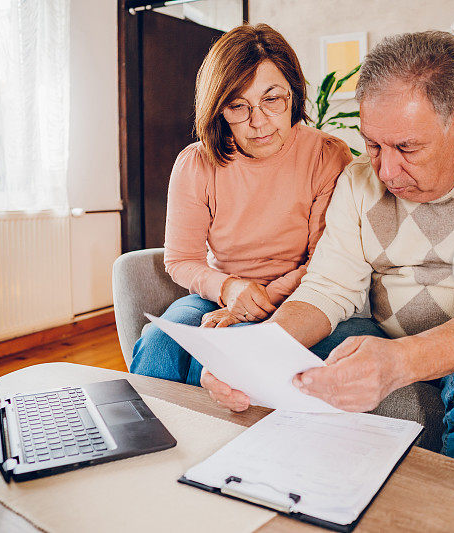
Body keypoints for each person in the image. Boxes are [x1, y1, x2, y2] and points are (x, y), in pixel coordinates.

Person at [201, 31, 454, 485]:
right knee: (284, 367)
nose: (385, 171)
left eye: (407, 148)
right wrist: (252, 357)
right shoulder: (360, 178)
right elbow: (328, 288)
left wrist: (401, 361)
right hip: (383, 329)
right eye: (374, 145)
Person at [130, 24, 352, 386]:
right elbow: (181, 259)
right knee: (158, 345)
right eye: (238, 105)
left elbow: (323, 262)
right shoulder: (195, 163)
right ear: (218, 110)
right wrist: (231, 290)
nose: (258, 121)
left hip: (304, 298)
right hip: (219, 295)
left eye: (272, 99)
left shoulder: (327, 155)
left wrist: (257, 301)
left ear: (293, 96)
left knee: (229, 354)